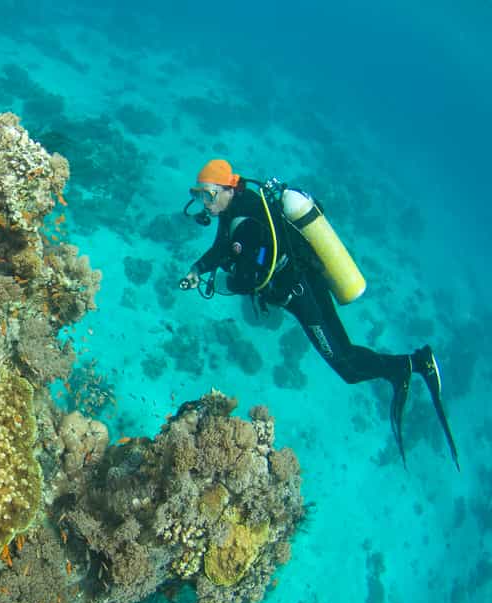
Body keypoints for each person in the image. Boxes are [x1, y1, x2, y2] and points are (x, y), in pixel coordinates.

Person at [179, 158, 459, 470]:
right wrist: (197, 268)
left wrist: (218, 283)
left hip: (302, 295)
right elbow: (223, 247)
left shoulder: (245, 222)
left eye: (208, 194)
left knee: (347, 365)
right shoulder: (237, 207)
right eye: (199, 194)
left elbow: (249, 279)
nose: (204, 202)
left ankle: (412, 364)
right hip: (305, 283)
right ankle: (404, 368)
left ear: (228, 188)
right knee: (346, 355)